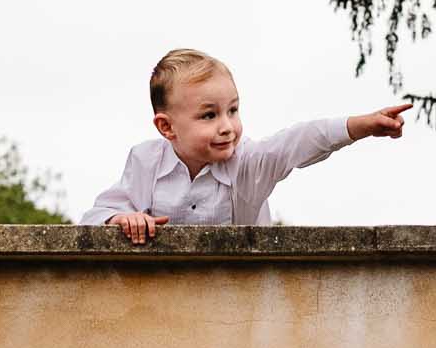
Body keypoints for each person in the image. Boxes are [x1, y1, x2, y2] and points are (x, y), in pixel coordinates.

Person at [80, 48, 409, 241]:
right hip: (164, 301)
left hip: (239, 300)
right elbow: (95, 216)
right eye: (209, 116)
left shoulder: (248, 162)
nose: (228, 127)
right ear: (167, 127)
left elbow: (299, 140)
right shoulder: (145, 161)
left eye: (233, 110)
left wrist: (361, 125)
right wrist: (122, 219)